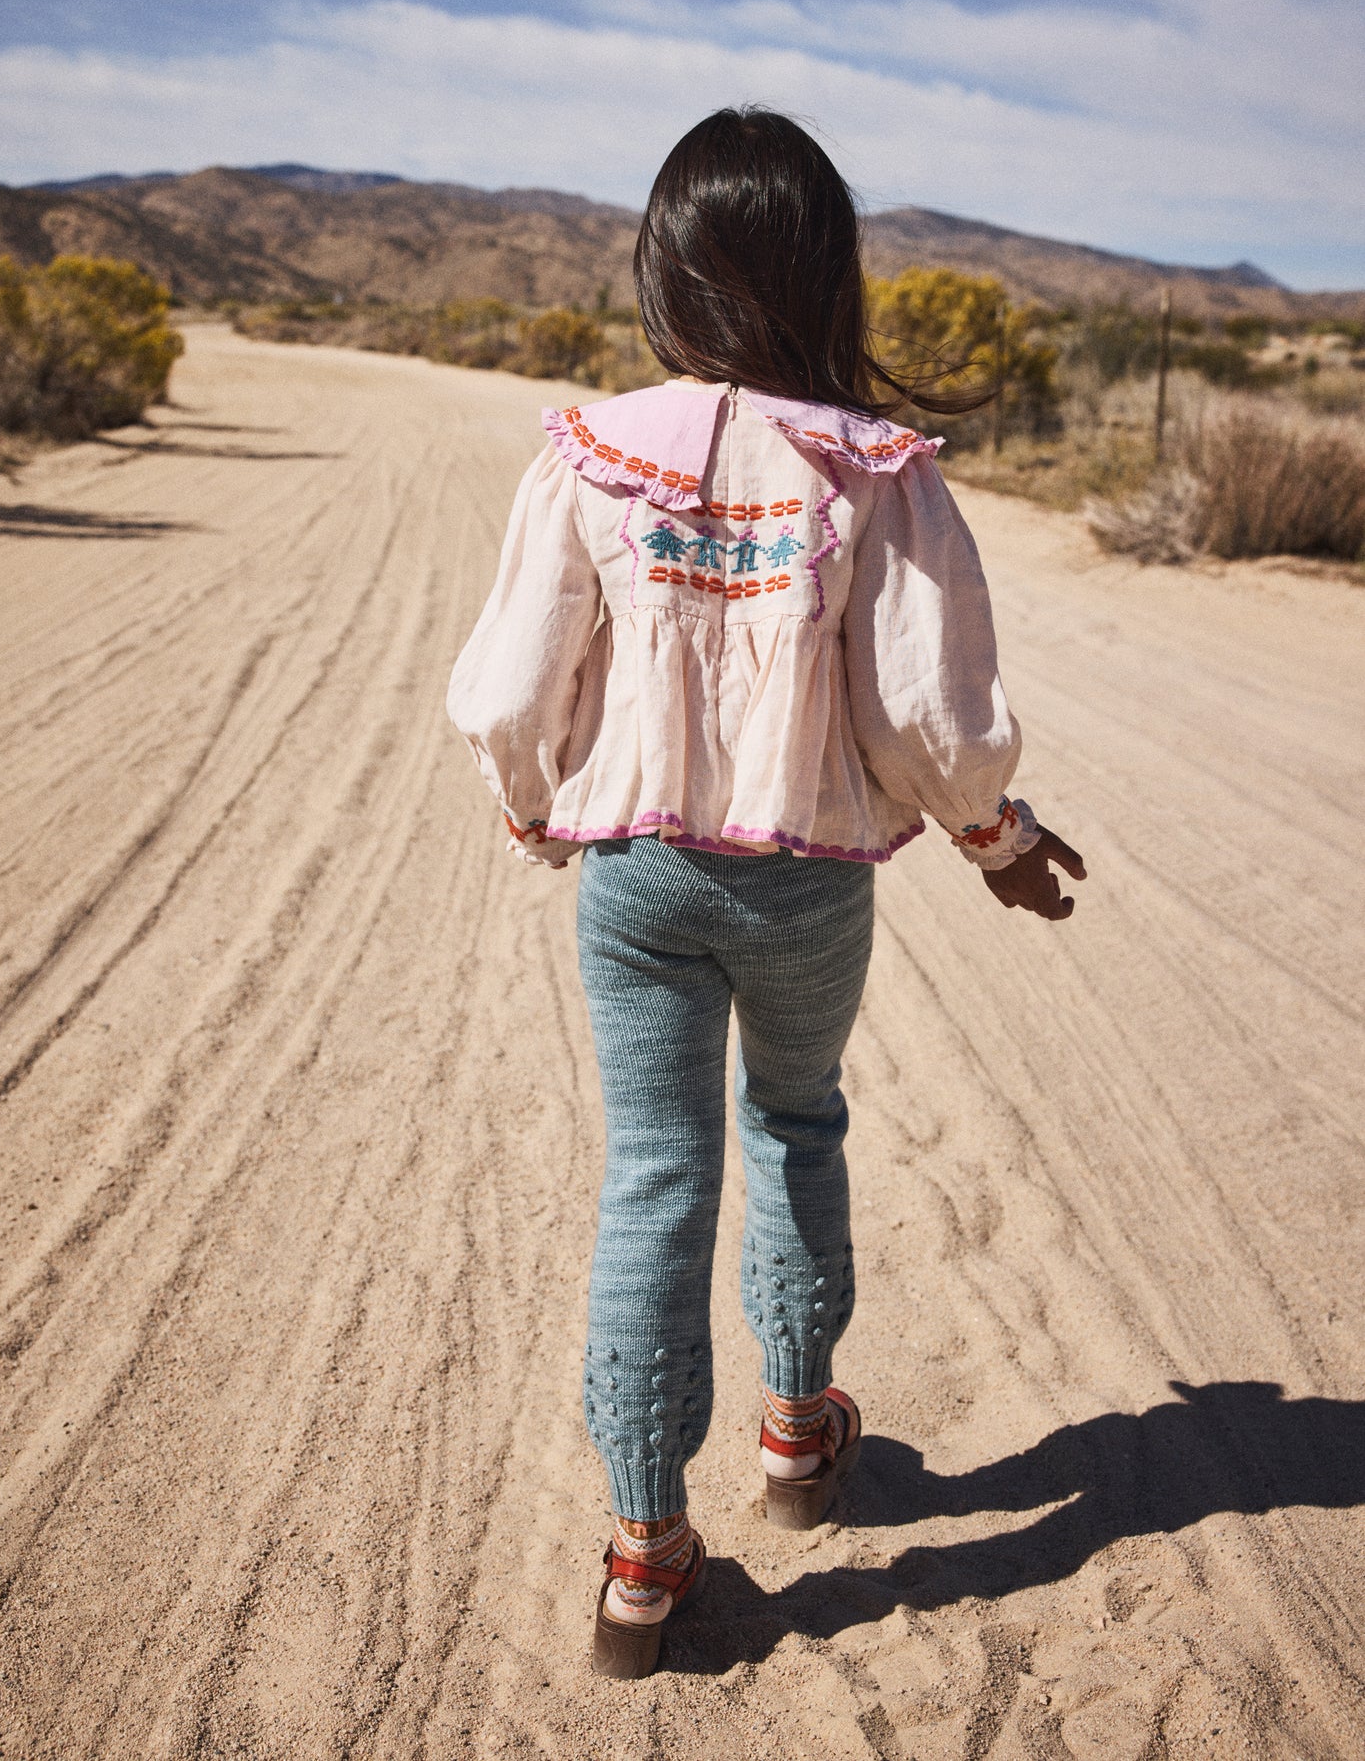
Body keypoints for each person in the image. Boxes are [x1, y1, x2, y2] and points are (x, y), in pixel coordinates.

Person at [447, 107, 1086, 1678]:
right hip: (805, 892)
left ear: (662, 271)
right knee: (794, 1119)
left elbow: (512, 688)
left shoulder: (591, 453)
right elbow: (926, 716)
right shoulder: (873, 472)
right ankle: (800, 1439)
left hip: (639, 882)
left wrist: (537, 811)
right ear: (828, 279)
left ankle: (641, 1553)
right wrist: (993, 837)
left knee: (653, 1178)